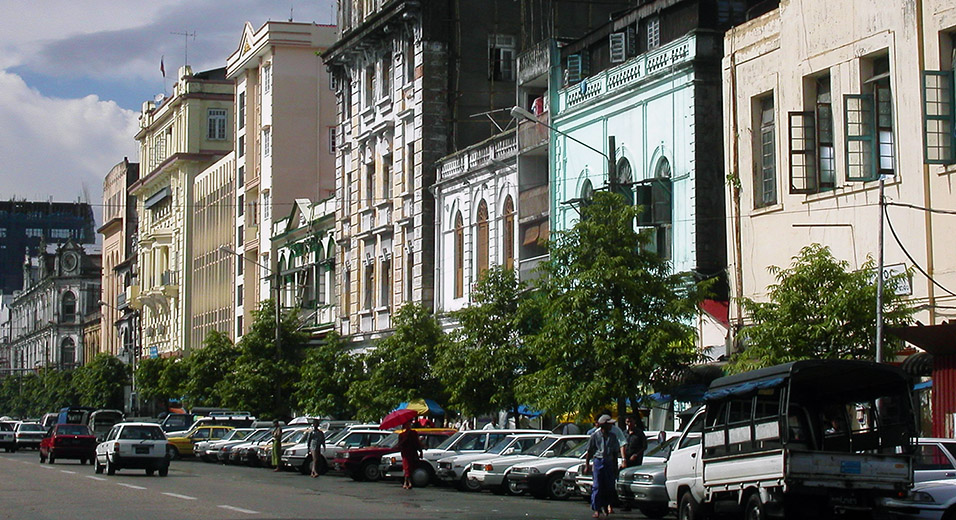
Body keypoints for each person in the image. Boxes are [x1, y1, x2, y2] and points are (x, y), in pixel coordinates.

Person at [584, 414, 625, 519]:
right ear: (604, 425)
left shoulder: (613, 436)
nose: (611, 426)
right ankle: (596, 509)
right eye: (609, 424)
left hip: (609, 462)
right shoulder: (595, 435)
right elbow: (589, 451)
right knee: (597, 486)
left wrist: (615, 465)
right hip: (598, 461)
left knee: (609, 486)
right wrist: (587, 464)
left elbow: (615, 452)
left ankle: (606, 506)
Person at [621, 415, 647, 512]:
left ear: (634, 422)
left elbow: (644, 446)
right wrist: (623, 458)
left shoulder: (639, 433)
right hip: (626, 460)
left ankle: (635, 502)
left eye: (630, 421)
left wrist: (636, 454)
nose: (629, 424)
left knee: (633, 481)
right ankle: (626, 504)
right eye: (627, 422)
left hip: (635, 461)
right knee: (624, 481)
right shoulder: (624, 434)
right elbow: (622, 445)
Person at [397, 420, 423, 489]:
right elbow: (399, 445)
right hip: (405, 453)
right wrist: (404, 439)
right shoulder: (401, 435)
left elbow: (417, 443)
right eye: (407, 425)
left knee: (411, 468)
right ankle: (408, 482)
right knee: (406, 467)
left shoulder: (414, 433)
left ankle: (406, 482)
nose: (408, 426)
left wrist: (420, 451)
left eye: (409, 424)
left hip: (412, 452)